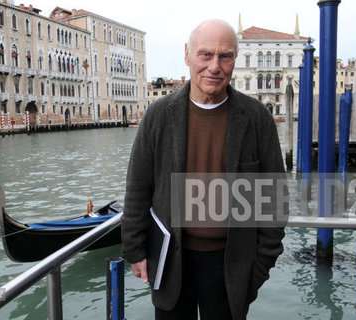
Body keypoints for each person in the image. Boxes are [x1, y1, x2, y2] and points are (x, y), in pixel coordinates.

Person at [121, 19, 286, 320]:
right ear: (187, 55)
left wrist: (259, 268)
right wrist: (135, 250)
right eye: (205, 54)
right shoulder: (159, 115)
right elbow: (138, 187)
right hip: (170, 262)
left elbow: (274, 200)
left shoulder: (256, 118)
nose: (215, 66)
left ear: (234, 60)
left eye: (225, 56)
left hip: (232, 265)